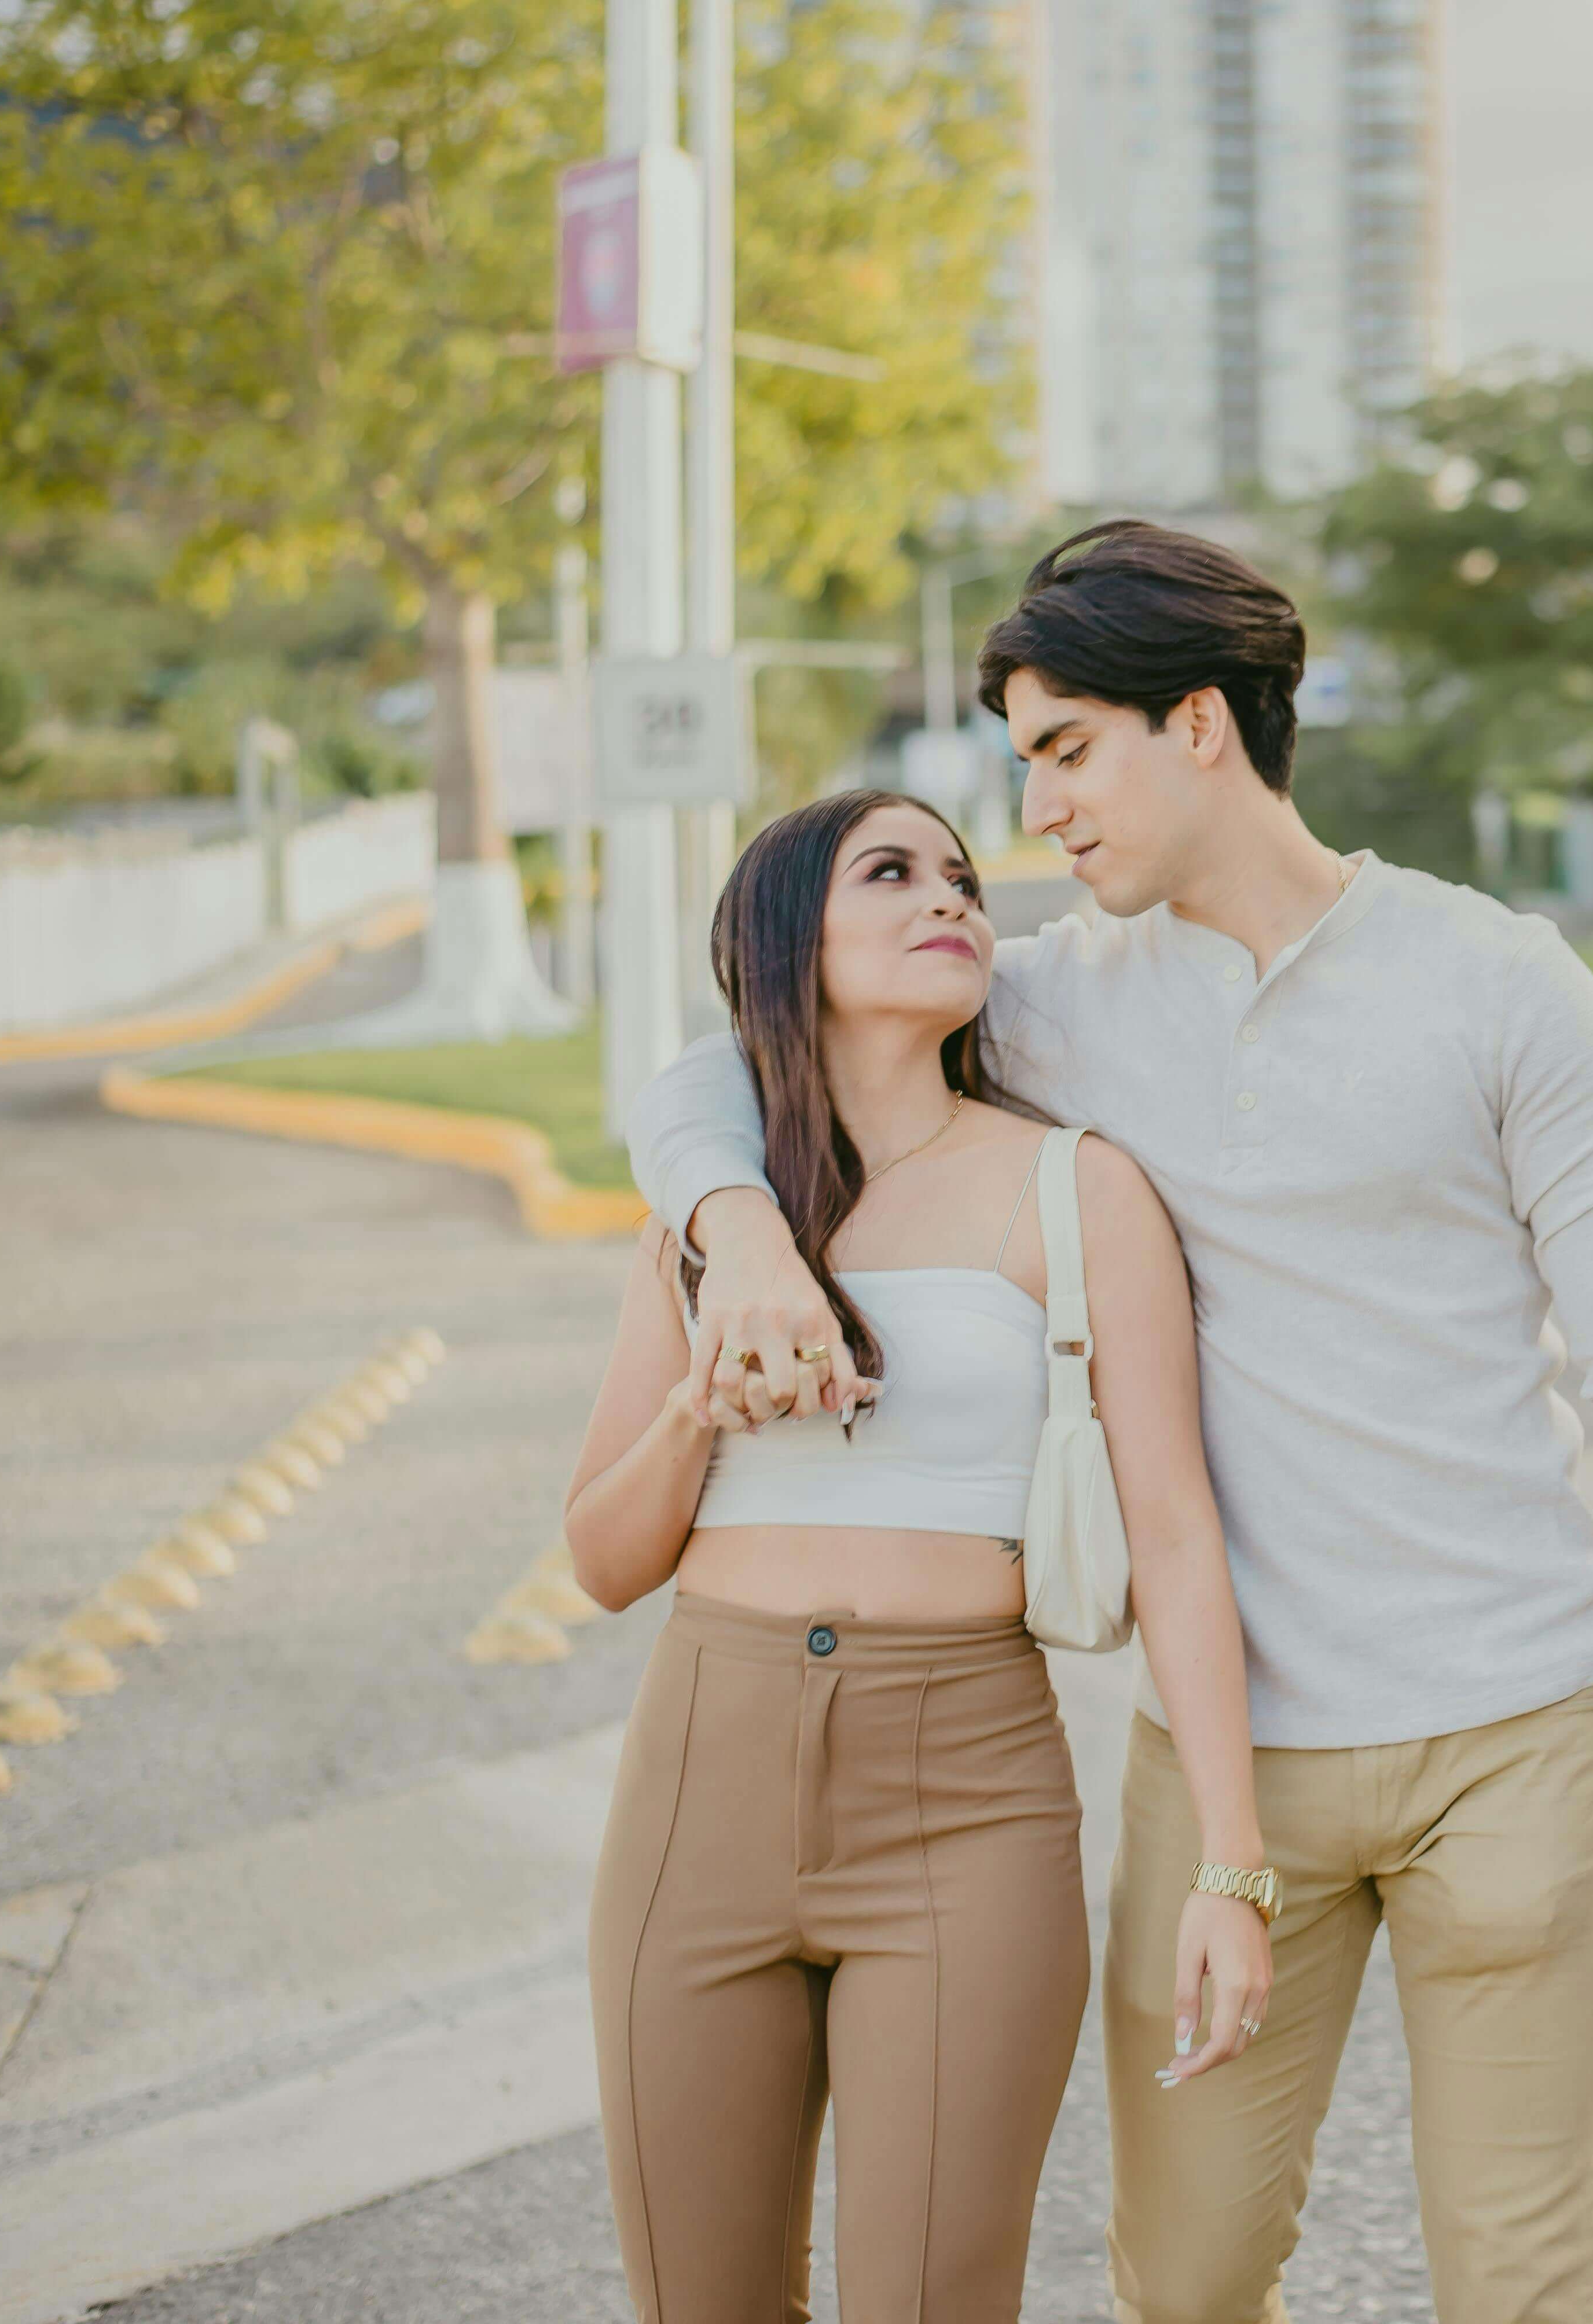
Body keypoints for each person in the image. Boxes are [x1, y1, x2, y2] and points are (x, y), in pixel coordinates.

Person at [629, 521, 1593, 2324]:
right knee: (1185, 2284)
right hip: (1226, 1750)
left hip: (1519, 1724)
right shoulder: (1053, 1006)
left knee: (1519, 2284)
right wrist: (743, 1229)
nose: (1039, 813)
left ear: (1197, 724)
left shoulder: (1501, 984)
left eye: (1065, 751)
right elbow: (733, 1053)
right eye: (1024, 765)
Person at [566, 786, 1272, 2323]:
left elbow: (1174, 1534)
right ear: (787, 940)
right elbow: (603, 1562)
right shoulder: (706, 1220)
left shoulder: (1074, 1188)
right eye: (889, 872)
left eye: (959, 874)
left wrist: (1233, 1863)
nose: (950, 895)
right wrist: (700, 1403)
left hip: (967, 1798)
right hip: (699, 1787)